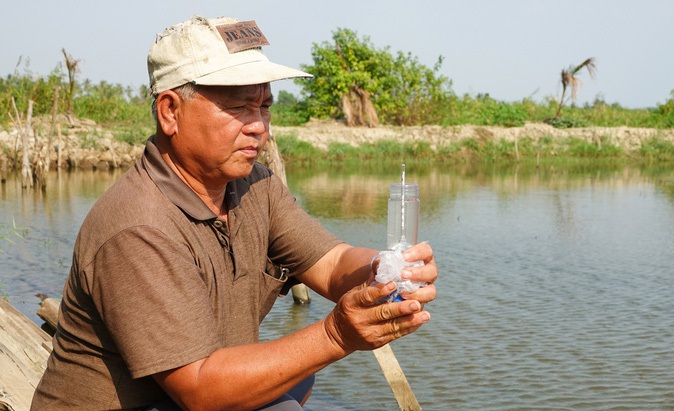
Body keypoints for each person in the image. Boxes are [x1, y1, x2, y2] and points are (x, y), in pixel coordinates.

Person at [31, 15, 437, 410]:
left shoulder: (253, 186)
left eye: (264, 106)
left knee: (299, 372)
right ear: (170, 111)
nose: (259, 126)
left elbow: (330, 264)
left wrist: (385, 271)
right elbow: (201, 392)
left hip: (193, 394)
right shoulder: (138, 226)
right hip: (170, 398)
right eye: (241, 107)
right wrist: (336, 335)